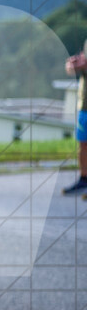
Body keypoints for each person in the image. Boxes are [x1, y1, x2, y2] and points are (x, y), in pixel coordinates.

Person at [62, 40, 87, 195]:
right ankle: (84, 179)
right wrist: (72, 64)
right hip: (84, 103)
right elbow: (77, 65)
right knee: (83, 144)